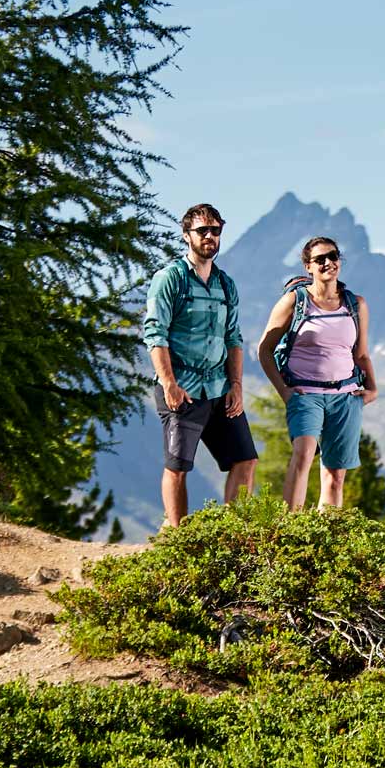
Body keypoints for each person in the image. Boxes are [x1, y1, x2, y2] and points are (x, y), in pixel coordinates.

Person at [141, 202, 257, 527]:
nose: (209, 236)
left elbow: (234, 338)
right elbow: (155, 333)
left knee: (245, 460)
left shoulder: (226, 285)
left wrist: (236, 386)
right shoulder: (170, 279)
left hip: (220, 389)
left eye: (215, 230)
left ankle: (231, 534)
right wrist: (168, 383)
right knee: (178, 467)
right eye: (202, 230)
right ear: (186, 235)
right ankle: (176, 537)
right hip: (183, 389)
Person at [259, 234, 378, 509]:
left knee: (335, 475)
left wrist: (372, 388)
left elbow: (360, 354)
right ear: (308, 267)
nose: (328, 263)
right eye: (320, 259)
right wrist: (285, 392)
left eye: (333, 256)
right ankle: (288, 531)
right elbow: (264, 351)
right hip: (305, 393)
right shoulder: (294, 301)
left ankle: (327, 539)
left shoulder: (356, 304)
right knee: (303, 454)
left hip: (346, 396)